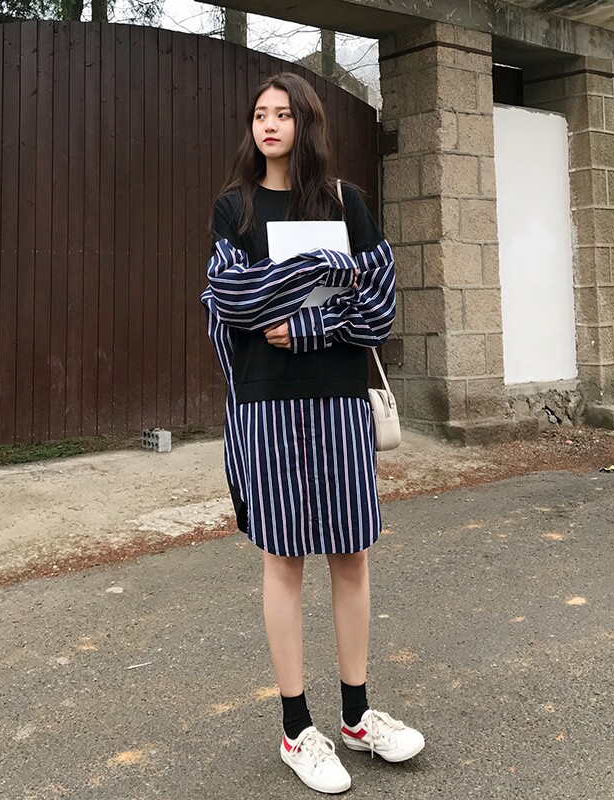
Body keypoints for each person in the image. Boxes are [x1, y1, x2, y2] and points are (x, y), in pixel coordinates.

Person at [200, 72, 424, 795]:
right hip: (265, 406)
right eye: (259, 114)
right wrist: (329, 276)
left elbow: (379, 308)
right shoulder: (234, 207)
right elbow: (234, 300)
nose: (268, 124)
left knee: (352, 555)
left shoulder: (346, 203)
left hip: (340, 400)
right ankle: (297, 729)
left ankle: (356, 717)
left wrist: (305, 325)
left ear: (307, 122)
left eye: (282, 113)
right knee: (285, 561)